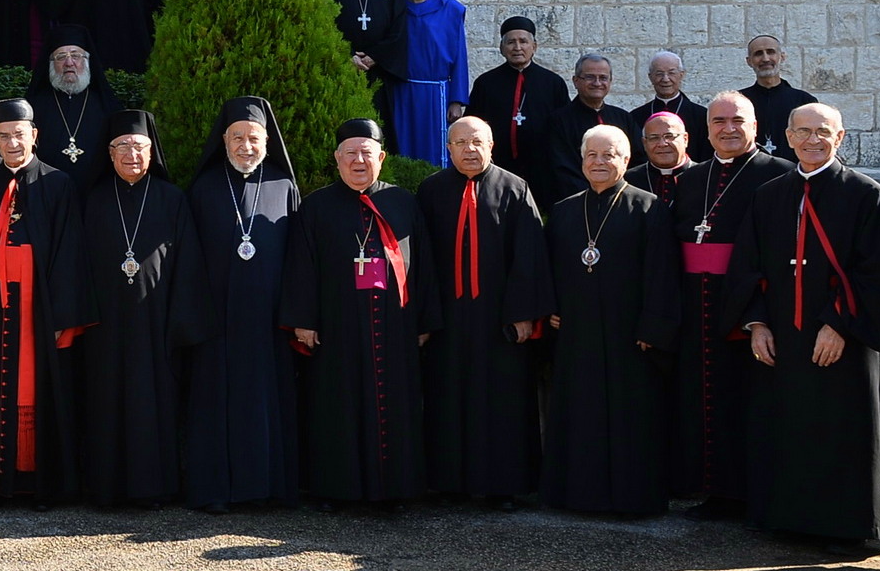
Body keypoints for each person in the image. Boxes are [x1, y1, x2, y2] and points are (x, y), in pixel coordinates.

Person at [723, 103, 880, 546]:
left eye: (823, 132)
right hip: (782, 334)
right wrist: (757, 323)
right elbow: (747, 263)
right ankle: (787, 517)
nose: (812, 140)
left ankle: (846, 526)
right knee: (786, 425)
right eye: (803, 131)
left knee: (842, 428)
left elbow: (877, 270)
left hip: (844, 338)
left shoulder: (865, 194)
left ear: (841, 138)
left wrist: (838, 324)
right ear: (787, 136)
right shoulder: (769, 195)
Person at [285, 119, 441, 505]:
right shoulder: (316, 205)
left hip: (395, 327)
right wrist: (304, 320)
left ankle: (397, 488)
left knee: (398, 405)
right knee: (337, 404)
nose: (358, 161)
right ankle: (337, 490)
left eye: (366, 153)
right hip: (338, 328)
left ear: (381, 158)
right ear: (337, 159)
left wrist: (423, 320)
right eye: (350, 153)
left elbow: (423, 265)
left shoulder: (403, 201)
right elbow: (301, 266)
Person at [0, 98, 89, 503]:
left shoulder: (58, 182)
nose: (12, 142)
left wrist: (64, 314)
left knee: (40, 387)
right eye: (3, 136)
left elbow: (69, 252)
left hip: (40, 306)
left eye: (19, 135)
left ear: (34, 136)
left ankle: (41, 483)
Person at [71, 110, 208, 508]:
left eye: (140, 147)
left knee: (155, 404)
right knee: (105, 402)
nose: (132, 154)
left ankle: (156, 489)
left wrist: (179, 323)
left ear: (152, 153)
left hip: (158, 324)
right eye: (123, 147)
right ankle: (106, 488)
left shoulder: (173, 198)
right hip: (105, 326)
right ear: (110, 154)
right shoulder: (94, 200)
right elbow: (77, 263)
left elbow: (188, 265)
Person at [541, 127, 679, 516]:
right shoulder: (566, 209)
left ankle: (631, 499)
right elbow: (547, 268)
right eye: (592, 156)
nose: (599, 163)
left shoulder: (650, 208)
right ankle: (575, 496)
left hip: (629, 336)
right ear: (582, 160)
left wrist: (653, 328)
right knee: (578, 414)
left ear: (626, 159)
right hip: (576, 334)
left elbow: (662, 274)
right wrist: (549, 307)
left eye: (609, 155)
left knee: (629, 419)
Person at [665, 91, 791, 516]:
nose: (728, 128)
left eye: (738, 120)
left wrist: (757, 312)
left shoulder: (781, 177)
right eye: (719, 121)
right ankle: (713, 489)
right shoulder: (693, 178)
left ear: (755, 127)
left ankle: (752, 493)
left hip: (747, 304)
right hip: (694, 302)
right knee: (700, 396)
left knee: (746, 399)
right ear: (707, 129)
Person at [416, 117, 553, 505]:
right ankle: (448, 482)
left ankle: (503, 485)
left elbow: (529, 257)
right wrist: (424, 317)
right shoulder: (430, 191)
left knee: (503, 402)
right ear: (449, 149)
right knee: (447, 396)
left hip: (499, 319)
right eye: (460, 143)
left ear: (491, 146)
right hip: (448, 319)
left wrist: (523, 314)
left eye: (477, 142)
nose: (470, 150)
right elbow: (419, 261)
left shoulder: (514, 188)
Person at [184, 97, 305, 512]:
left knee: (267, 402)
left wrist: (294, 314)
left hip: (269, 321)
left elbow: (298, 258)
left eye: (253, 138)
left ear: (267, 142)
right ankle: (218, 490)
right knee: (216, 402)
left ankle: (270, 487)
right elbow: (189, 258)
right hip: (217, 319)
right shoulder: (203, 188)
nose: (245, 146)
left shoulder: (282, 186)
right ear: (224, 141)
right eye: (237, 138)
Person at [464, 16, 571, 212]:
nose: (517, 47)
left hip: (541, 169)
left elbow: (564, 129)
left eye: (523, 41)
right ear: (501, 48)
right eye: (511, 42)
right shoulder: (486, 83)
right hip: (497, 166)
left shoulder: (553, 83)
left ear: (534, 46)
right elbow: (472, 125)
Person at [322, 0, 408, 130]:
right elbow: (320, 26)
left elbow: (399, 28)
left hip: (378, 73)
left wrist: (374, 57)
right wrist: (347, 56)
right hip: (338, 71)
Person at [395, 0, 468, 167]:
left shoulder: (451, 9)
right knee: (401, 148)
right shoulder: (394, 6)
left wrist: (456, 100)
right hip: (400, 91)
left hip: (436, 94)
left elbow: (459, 56)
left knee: (435, 155)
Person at [28, 25, 109, 188]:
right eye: (61, 56)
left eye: (76, 55)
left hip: (97, 193)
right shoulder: (36, 105)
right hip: (48, 194)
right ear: (51, 63)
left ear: (86, 61)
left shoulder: (105, 104)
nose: (69, 63)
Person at [546, 52, 627, 203]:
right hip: (577, 201)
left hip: (620, 199)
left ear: (610, 81)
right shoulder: (558, 121)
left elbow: (634, 160)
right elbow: (562, 168)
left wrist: (620, 191)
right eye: (590, 77)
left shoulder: (623, 118)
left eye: (603, 78)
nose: (597, 83)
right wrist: (594, 195)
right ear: (576, 81)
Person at [743, 35, 818, 165]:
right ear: (749, 61)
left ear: (782, 57)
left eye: (771, 52)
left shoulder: (804, 102)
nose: (765, 58)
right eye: (758, 54)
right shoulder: (739, 101)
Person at [626, 51, 711, 164]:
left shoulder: (701, 115)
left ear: (681, 75)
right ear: (650, 77)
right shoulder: (636, 117)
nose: (665, 79)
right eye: (659, 74)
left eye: (671, 73)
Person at [626, 110, 693, 205]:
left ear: (685, 139)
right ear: (644, 143)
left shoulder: (705, 176)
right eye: (654, 138)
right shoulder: (628, 180)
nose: (662, 144)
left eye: (669, 136)